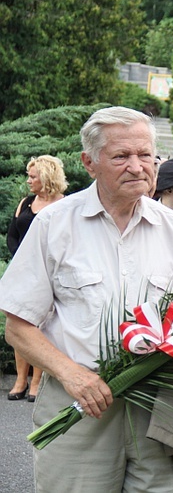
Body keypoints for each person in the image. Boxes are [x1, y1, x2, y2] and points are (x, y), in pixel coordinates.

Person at [0, 106, 173, 491]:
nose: (137, 166)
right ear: (89, 162)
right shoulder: (54, 225)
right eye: (121, 156)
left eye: (145, 155)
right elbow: (17, 326)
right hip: (80, 408)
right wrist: (72, 374)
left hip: (158, 409)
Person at [5, 155, 67, 403]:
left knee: (42, 328)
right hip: (23, 273)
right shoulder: (26, 202)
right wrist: (22, 261)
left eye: (33, 176)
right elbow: (12, 236)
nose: (28, 180)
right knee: (20, 323)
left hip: (50, 274)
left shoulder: (64, 205)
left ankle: (38, 382)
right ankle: (21, 379)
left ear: (47, 177)